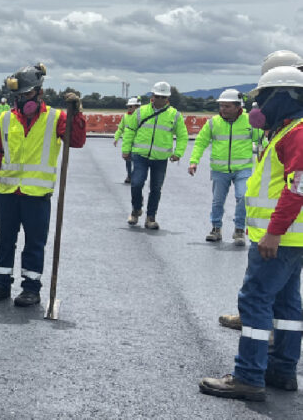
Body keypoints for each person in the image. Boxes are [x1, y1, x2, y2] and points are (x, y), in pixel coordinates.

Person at [200, 65, 303, 401]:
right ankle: (282, 370)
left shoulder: (297, 132)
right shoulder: (287, 129)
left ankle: (248, 376)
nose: (260, 107)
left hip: (280, 237)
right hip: (293, 237)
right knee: (287, 305)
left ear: (286, 96)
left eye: (266, 97)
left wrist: (272, 233)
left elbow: (297, 188)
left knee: (255, 301)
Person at [0, 63, 86, 307]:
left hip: (37, 195)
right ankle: (1, 285)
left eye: (26, 95)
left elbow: (77, 141)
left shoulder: (56, 118)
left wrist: (76, 113)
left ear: (40, 92)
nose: (22, 100)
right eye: (18, 96)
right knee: (5, 240)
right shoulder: (6, 118)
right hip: (8, 193)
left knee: (34, 244)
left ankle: (31, 289)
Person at [188, 89, 263, 246]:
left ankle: (239, 230)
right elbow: (201, 142)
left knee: (243, 197)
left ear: (238, 107)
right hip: (219, 170)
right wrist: (194, 161)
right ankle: (216, 228)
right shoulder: (213, 122)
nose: (223, 109)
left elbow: (262, 141)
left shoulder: (249, 121)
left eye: (227, 106)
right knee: (217, 201)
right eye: (221, 106)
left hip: (243, 169)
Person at [121, 81, 188, 230]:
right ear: (152, 96)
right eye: (158, 96)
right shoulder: (141, 112)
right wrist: (126, 149)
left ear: (168, 98)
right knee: (136, 183)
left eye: (163, 97)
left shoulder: (175, 115)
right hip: (140, 155)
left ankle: (151, 217)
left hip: (160, 158)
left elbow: (182, 136)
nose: (160, 99)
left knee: (156, 188)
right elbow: (130, 130)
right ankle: (136, 209)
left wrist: (178, 153)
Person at [113, 97, 141, 183]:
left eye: (130, 106)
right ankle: (129, 176)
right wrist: (116, 138)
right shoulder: (125, 116)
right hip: (127, 142)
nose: (129, 108)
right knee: (128, 160)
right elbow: (120, 128)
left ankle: (134, 176)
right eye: (128, 106)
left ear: (136, 107)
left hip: (138, 142)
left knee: (137, 161)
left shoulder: (141, 116)